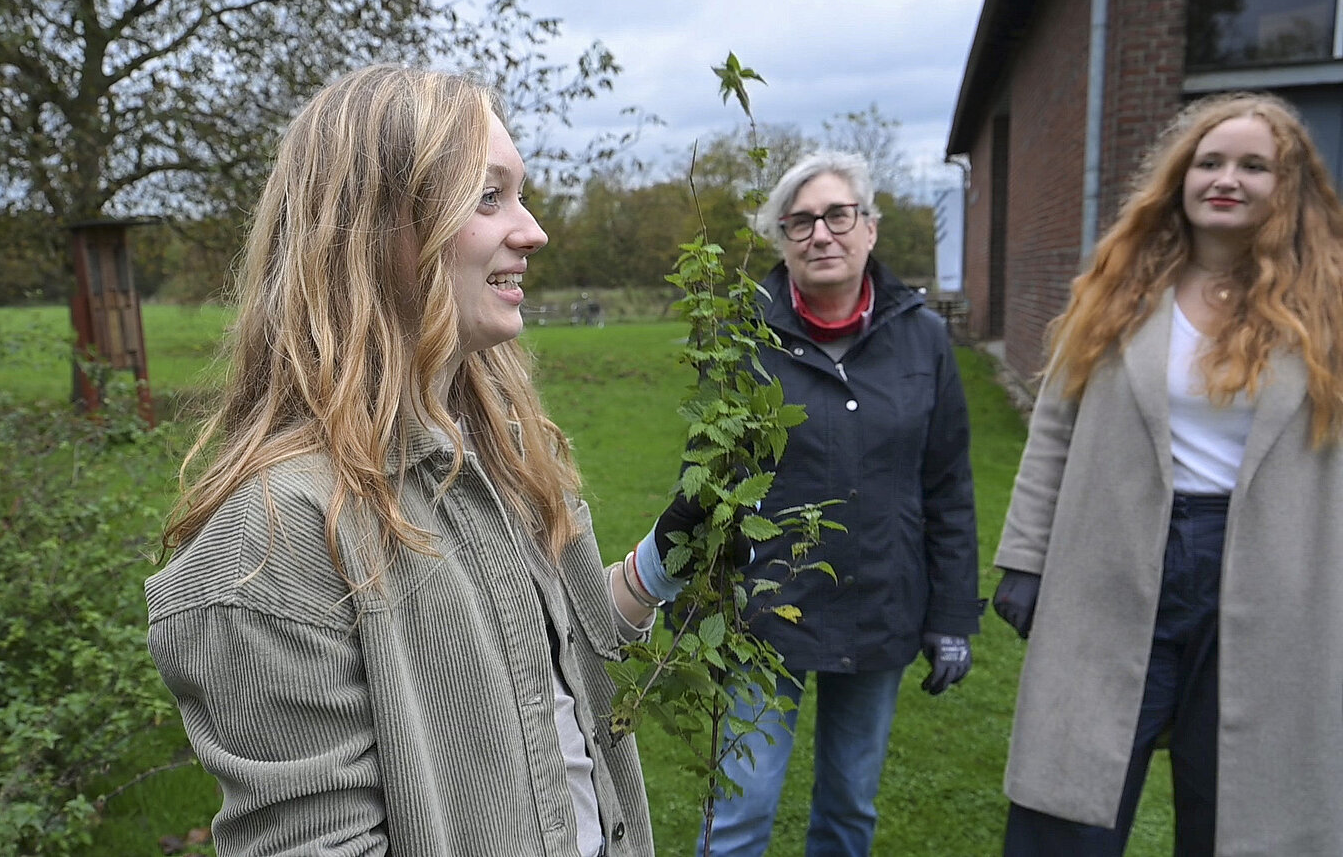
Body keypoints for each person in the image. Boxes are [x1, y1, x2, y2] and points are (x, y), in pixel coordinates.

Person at [144, 65, 673, 856]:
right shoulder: (278, 538)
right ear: (371, 228)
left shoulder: (502, 445)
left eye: (519, 195)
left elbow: (550, 679)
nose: (532, 232)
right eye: (488, 197)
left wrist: (658, 569)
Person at [991, 92, 1343, 855]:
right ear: (1180, 177)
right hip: (1116, 559)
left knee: (1239, 810)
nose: (1228, 178)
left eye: (1255, 166)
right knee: (1068, 806)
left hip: (1269, 578)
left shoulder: (1328, 310)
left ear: (1288, 189)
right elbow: (1054, 424)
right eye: (1210, 162)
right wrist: (1024, 556)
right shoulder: (1120, 290)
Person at [631, 150, 981, 857]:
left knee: (850, 809)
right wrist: (690, 594)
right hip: (765, 613)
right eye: (800, 222)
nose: (821, 234)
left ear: (870, 229)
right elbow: (707, 479)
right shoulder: (742, 338)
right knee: (739, 814)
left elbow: (948, 489)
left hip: (881, 603)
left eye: (837, 216)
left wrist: (950, 617)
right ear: (783, 240)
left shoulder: (925, 340)